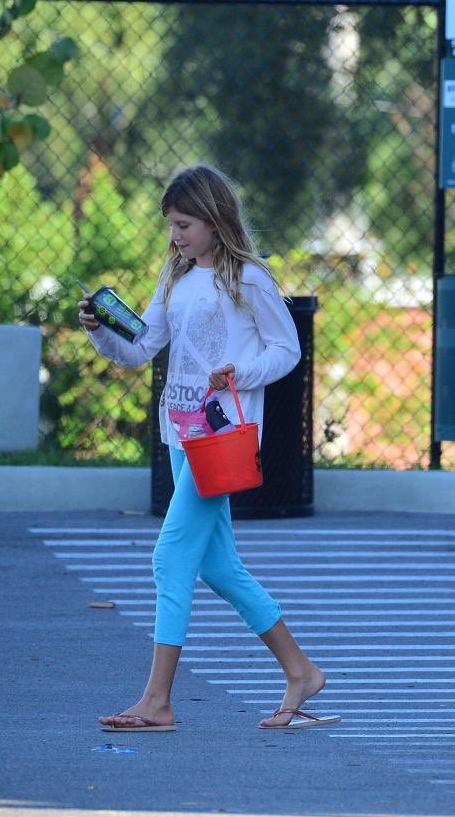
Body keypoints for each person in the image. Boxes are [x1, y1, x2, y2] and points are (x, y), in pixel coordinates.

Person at [80, 163, 340, 733]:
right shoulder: (174, 276)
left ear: (215, 219)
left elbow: (286, 348)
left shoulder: (247, 277)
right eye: (171, 225)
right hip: (180, 432)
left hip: (218, 434)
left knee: (170, 556)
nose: (175, 236)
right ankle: (301, 671)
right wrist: (102, 329)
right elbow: (143, 347)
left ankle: (157, 702)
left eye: (184, 224)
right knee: (219, 566)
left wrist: (240, 373)